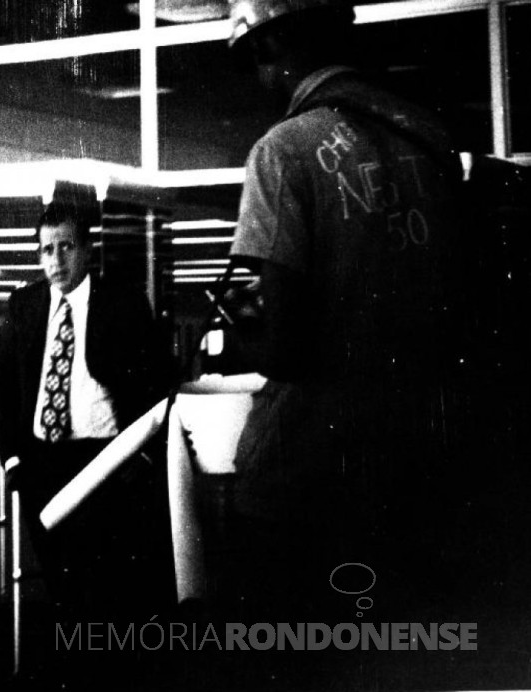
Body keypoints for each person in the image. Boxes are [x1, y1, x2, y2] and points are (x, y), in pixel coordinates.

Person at [215, 0, 465, 624]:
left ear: (271, 49)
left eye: (254, 62)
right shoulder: (432, 142)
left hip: (306, 480)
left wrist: (234, 325)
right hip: (422, 470)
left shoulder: (282, 152)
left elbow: (280, 346)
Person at [0, 203, 175, 634]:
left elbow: (155, 385)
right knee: (60, 578)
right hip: (41, 464)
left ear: (86, 250)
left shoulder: (123, 302)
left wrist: (143, 458)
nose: (55, 260)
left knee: (104, 577)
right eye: (45, 250)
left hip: (103, 461)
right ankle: (74, 659)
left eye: (66, 247)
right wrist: (14, 462)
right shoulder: (23, 305)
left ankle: (105, 663)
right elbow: (8, 389)